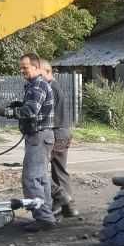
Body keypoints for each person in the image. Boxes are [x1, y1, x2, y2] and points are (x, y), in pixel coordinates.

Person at [11, 53, 57, 230]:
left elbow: (31, 111)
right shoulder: (35, 85)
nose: (22, 70)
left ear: (36, 67)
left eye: (25, 67)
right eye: (21, 67)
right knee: (41, 179)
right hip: (40, 136)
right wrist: (17, 105)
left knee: (31, 179)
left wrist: (6, 112)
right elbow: (30, 106)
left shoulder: (38, 85)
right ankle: (47, 215)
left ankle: (44, 219)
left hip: (39, 137)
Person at [41, 62, 79, 218]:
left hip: (56, 134)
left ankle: (59, 201)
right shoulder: (55, 87)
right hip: (63, 132)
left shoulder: (50, 88)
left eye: (39, 73)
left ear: (47, 71)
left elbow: (42, 114)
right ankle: (69, 207)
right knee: (60, 171)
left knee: (38, 171)